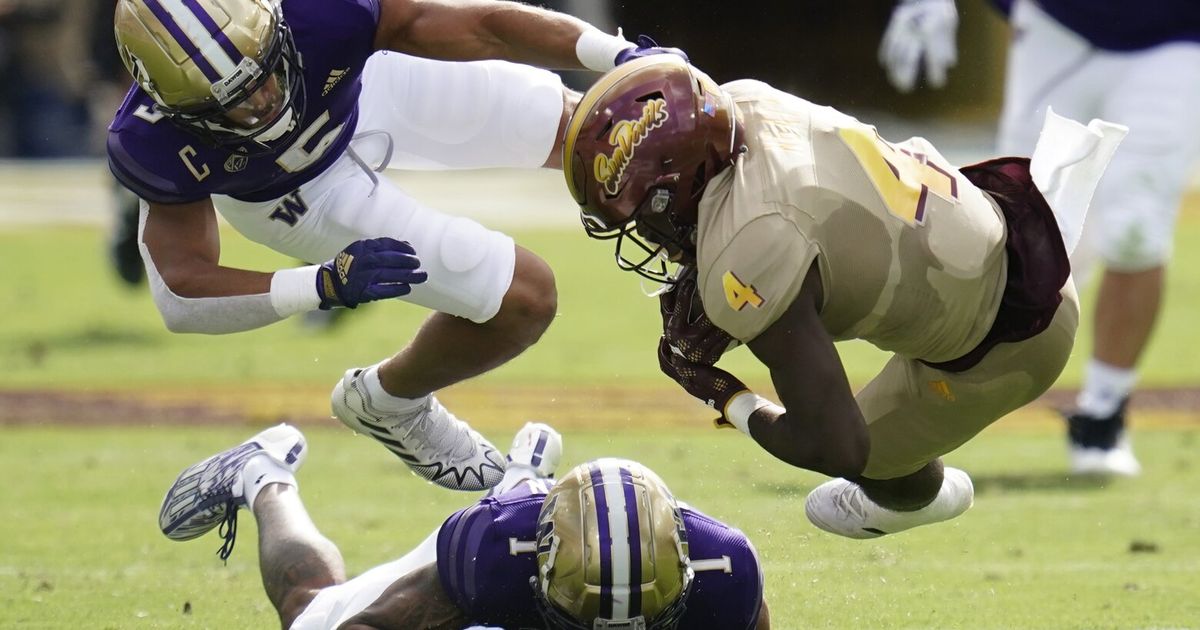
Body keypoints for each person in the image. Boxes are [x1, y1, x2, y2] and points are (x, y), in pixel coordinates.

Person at [108, 0, 684, 492]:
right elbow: (178, 292)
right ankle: (388, 400)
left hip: (368, 86)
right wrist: (318, 284)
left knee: (598, 128)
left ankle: (713, 268)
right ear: (170, 102)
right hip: (292, 194)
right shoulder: (149, 138)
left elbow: (477, 25)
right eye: (231, 103)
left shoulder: (317, 13)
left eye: (266, 73)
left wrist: (614, 56)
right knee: (525, 298)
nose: (264, 104)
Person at [562, 56, 1125, 539]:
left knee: (865, 470)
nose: (645, 236)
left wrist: (724, 396)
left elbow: (835, 445)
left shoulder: (747, 249)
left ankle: (924, 495)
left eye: (641, 218)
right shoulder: (744, 101)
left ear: (674, 184)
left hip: (1014, 338)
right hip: (1007, 217)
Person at [879, 0, 1200, 476]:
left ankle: (1103, 412)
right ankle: (944, 402)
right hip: (1057, 25)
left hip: (1175, 36)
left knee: (1136, 226)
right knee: (1019, 220)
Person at [157, 421, 769, 629]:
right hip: (503, 556)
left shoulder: (730, 575)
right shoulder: (494, 559)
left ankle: (524, 475)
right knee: (306, 609)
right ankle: (263, 476)